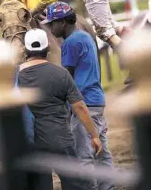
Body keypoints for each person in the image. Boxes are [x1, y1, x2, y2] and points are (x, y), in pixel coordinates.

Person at [42, 1, 116, 190]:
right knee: (101, 150)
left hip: (82, 103)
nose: (50, 28)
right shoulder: (85, 37)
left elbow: (67, 78)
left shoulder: (70, 43)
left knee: (84, 155)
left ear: (63, 23)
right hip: (96, 100)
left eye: (52, 24)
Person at [18, 28, 103, 190]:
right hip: (60, 139)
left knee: (41, 185)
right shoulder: (61, 74)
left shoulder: (18, 77)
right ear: (48, 47)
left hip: (33, 142)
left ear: (26, 49)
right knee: (73, 183)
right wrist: (94, 135)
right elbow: (79, 106)